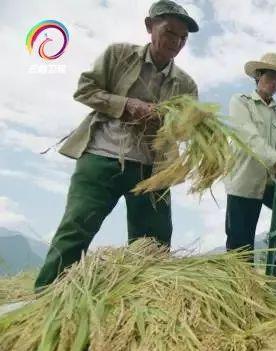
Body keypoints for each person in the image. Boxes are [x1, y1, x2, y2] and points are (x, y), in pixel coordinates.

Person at [34, 0, 199, 290]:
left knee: (154, 245)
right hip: (102, 157)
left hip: (153, 170)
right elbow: (85, 90)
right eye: (170, 33)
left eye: (183, 38)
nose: (176, 42)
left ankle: (147, 309)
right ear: (149, 27)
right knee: (75, 230)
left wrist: (169, 120)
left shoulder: (185, 84)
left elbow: (189, 128)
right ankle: (45, 299)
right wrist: (127, 104)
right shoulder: (119, 55)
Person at [223, 52, 276, 263]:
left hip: (270, 183)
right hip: (244, 181)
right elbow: (250, 138)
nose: (274, 84)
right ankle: (241, 288)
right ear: (258, 76)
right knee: (241, 243)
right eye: (270, 77)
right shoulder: (240, 102)